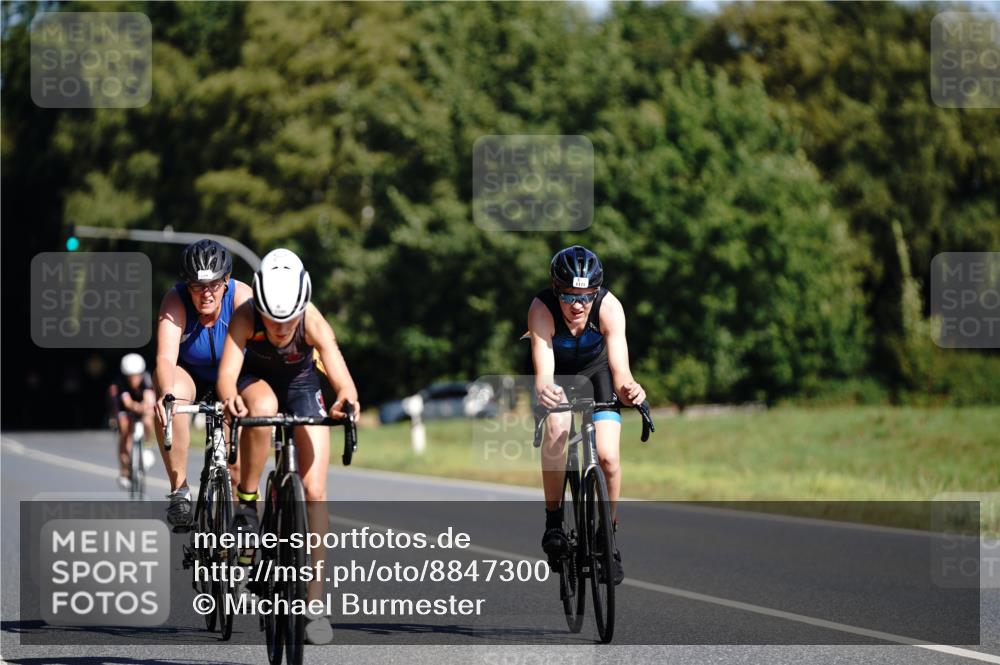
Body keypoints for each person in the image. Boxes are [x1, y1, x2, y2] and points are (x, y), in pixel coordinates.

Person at [217, 248, 360, 645]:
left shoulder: (311, 318)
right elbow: (227, 375)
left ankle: (314, 602)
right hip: (256, 381)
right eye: (272, 320)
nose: (280, 329)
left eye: (287, 320)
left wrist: (345, 400)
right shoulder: (246, 315)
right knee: (262, 407)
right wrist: (230, 398)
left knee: (314, 492)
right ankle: (247, 500)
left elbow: (341, 376)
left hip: (301, 384)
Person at [526, 245, 646, 585]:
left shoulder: (609, 308)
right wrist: (544, 390)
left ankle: (607, 535)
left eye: (585, 296)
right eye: (568, 297)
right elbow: (544, 369)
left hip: (597, 372)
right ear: (555, 291)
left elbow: (621, 372)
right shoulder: (541, 309)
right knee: (558, 428)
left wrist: (632, 390)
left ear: (596, 292)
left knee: (607, 457)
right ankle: (553, 521)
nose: (577, 305)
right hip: (557, 373)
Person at [152, 240, 252, 529]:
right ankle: (179, 490)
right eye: (197, 286)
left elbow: (260, 353)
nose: (206, 293)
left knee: (234, 465)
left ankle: (236, 525)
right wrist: (165, 394)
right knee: (173, 400)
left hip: (231, 374)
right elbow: (166, 357)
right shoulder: (175, 301)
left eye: (213, 285)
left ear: (226, 282)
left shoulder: (242, 297)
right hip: (189, 372)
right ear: (187, 285)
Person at [108, 353, 156, 490]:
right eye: (130, 376)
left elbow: (148, 398)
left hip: (141, 406)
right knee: (124, 431)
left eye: (137, 375)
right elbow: (127, 403)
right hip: (123, 408)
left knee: (148, 419)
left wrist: (145, 407)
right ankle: (124, 471)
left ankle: (147, 446)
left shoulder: (146, 379)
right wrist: (138, 407)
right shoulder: (120, 383)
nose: (134, 379)